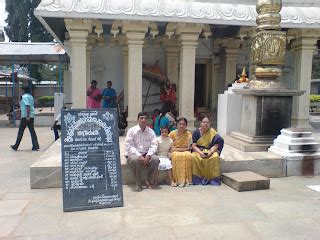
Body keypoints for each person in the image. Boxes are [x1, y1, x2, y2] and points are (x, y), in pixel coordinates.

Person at [125, 112, 159, 192]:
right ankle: (138, 183)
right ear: (138, 120)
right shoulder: (131, 131)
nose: (143, 120)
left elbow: (154, 145)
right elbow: (129, 146)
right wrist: (139, 155)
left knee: (155, 159)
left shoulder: (151, 132)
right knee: (135, 160)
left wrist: (149, 155)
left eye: (145, 118)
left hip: (146, 153)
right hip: (134, 154)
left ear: (147, 120)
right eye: (141, 118)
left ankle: (150, 181)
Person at [191, 116, 224, 186]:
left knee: (215, 156)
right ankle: (198, 179)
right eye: (204, 122)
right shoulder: (196, 132)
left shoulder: (212, 132)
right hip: (199, 150)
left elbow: (216, 145)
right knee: (194, 157)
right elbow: (193, 146)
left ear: (209, 124)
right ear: (200, 123)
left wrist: (210, 153)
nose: (206, 124)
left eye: (207, 122)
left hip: (210, 150)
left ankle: (213, 179)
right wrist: (200, 153)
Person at [10, 86, 39, 151]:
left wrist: (27, 116)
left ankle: (15, 146)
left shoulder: (24, 97)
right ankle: (35, 146)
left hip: (26, 117)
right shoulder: (31, 97)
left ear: (23, 91)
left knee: (20, 131)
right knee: (32, 131)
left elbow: (27, 106)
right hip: (31, 116)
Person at [168, 117, 193, 187]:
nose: (182, 126)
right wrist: (182, 149)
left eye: (183, 124)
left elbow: (189, 147)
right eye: (180, 124)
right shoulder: (172, 133)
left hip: (184, 151)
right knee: (176, 155)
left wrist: (181, 149)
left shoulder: (188, 134)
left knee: (188, 155)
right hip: (174, 151)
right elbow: (170, 147)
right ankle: (178, 179)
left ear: (186, 125)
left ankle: (187, 179)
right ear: (177, 125)